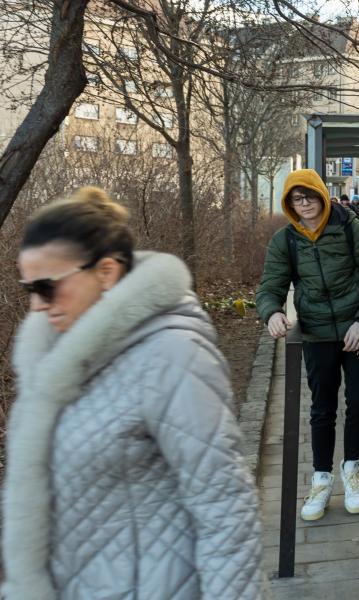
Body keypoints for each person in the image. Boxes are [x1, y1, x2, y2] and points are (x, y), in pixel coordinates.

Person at [3, 187, 263, 599]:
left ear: (105, 271)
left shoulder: (172, 355)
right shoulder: (51, 361)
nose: (36, 306)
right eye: (28, 289)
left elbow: (226, 511)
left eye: (48, 287)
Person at [256, 168, 359, 522]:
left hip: (355, 330)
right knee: (322, 407)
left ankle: (351, 471)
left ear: (322, 196)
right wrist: (271, 313)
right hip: (315, 334)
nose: (305, 204)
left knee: (358, 402)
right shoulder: (286, 241)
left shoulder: (347, 227)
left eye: (310, 196)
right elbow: (270, 286)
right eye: (297, 199)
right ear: (290, 203)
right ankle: (322, 478)